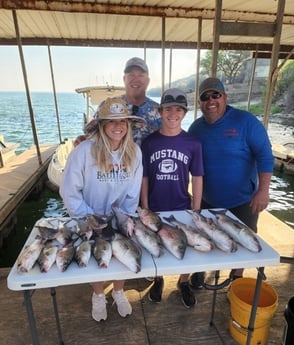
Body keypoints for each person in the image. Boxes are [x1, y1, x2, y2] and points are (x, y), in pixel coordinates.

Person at [60, 97, 145, 322]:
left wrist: (125, 215)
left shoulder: (135, 152)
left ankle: (118, 291)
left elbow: (133, 191)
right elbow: (69, 190)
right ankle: (98, 294)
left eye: (123, 121)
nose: (118, 126)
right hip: (89, 215)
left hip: (118, 214)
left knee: (122, 254)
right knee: (97, 255)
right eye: (111, 121)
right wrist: (87, 216)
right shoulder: (83, 152)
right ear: (101, 125)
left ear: (128, 125)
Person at [188, 77, 274, 288]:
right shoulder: (195, 128)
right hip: (208, 200)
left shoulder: (246, 121)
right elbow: (187, 163)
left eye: (215, 95)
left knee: (244, 241)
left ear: (225, 97)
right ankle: (199, 272)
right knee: (204, 237)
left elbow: (265, 156)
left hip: (243, 201)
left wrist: (263, 191)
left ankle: (237, 277)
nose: (211, 101)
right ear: (200, 102)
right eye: (205, 97)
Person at [141, 88, 204, 308]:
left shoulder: (192, 143)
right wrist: (146, 208)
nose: (173, 113)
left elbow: (197, 177)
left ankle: (183, 282)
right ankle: (158, 279)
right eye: (168, 109)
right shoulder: (149, 143)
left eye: (179, 109)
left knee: (184, 247)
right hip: (156, 207)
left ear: (185, 113)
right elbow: (145, 178)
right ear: (160, 111)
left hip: (182, 206)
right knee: (157, 246)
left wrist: (196, 209)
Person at [75, 57, 162, 147]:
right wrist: (83, 139)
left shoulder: (159, 112)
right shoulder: (106, 106)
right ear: (124, 79)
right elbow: (93, 134)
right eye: (131, 75)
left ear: (148, 81)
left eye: (141, 75)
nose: (136, 79)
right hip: (111, 161)